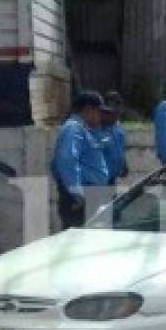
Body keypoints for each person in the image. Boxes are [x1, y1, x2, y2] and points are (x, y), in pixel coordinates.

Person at [50, 91, 110, 230]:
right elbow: (67, 159)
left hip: (89, 195)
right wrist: (77, 193)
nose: (101, 116)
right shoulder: (73, 128)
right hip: (80, 198)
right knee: (78, 240)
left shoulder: (84, 129)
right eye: (98, 112)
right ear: (88, 110)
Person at [95, 90, 129, 185]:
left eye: (117, 114)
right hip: (99, 180)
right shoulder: (95, 131)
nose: (115, 117)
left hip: (112, 179)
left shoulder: (118, 130)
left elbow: (120, 149)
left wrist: (124, 164)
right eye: (111, 114)